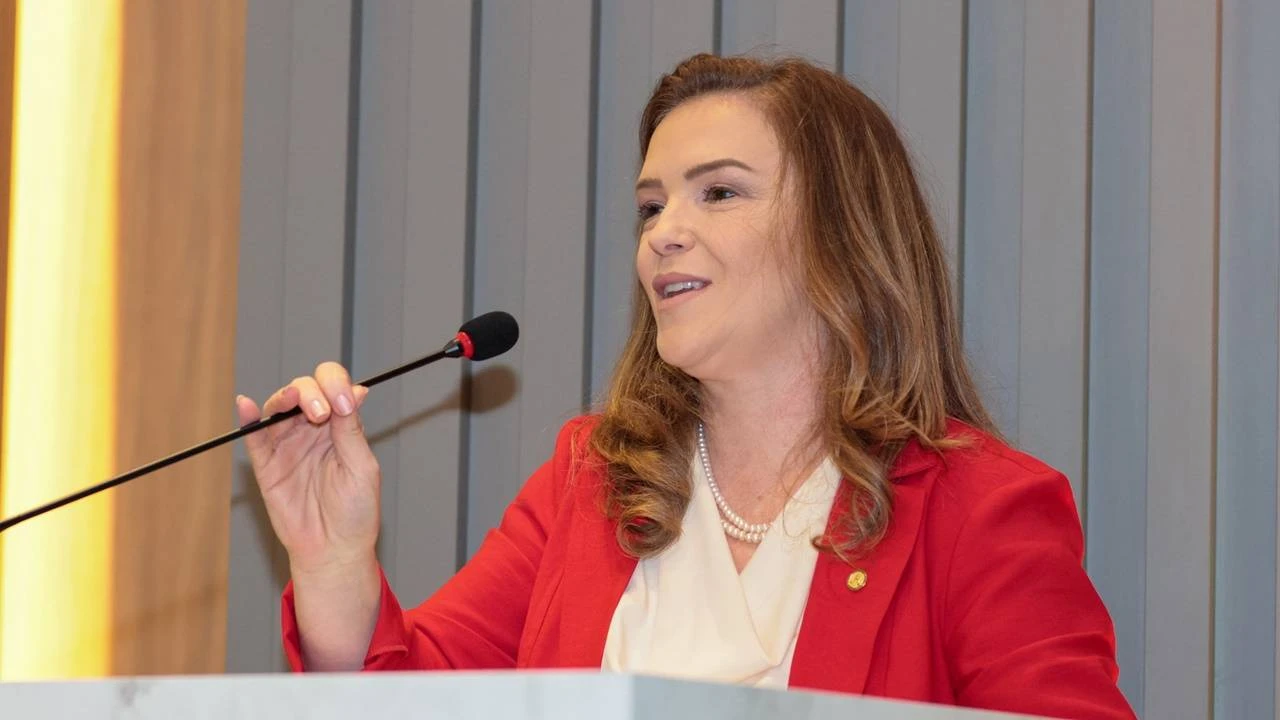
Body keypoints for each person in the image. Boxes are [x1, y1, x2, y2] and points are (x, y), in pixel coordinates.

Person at [237, 54, 1136, 719]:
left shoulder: (979, 510)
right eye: (651, 204)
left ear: (841, 234)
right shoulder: (588, 482)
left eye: (719, 194)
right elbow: (416, 702)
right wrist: (333, 563)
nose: (663, 231)